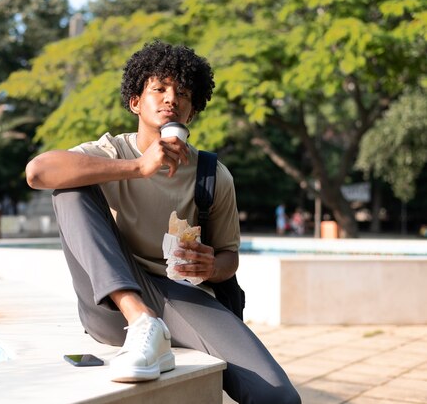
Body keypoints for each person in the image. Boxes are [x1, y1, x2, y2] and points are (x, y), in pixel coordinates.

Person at [25, 41, 300, 404]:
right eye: (159, 88)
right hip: (114, 304)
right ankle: (142, 322)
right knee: (69, 188)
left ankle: (155, 328)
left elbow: (230, 257)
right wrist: (138, 167)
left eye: (183, 93)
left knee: (277, 396)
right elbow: (38, 172)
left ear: (192, 112)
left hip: (183, 296)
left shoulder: (212, 175)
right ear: (135, 101)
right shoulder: (112, 153)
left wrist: (212, 265)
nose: (171, 98)